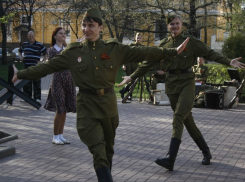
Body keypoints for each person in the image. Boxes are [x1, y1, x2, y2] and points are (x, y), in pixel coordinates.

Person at [12, 8, 189, 181]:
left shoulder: (114, 49)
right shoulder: (74, 52)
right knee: (98, 149)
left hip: (108, 107)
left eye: (91, 25)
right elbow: (46, 67)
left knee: (108, 150)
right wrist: (20, 74)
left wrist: (173, 51)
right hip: (87, 106)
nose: (86, 29)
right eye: (84, 25)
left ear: (100, 28)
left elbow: (144, 52)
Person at [118, 14, 245, 171]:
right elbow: (149, 63)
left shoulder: (190, 42)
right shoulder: (164, 44)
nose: (174, 26)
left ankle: (171, 159)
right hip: (171, 85)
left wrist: (228, 61)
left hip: (187, 83)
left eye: (177, 23)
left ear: (181, 25)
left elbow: (210, 53)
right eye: (171, 24)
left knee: (178, 116)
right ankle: (206, 151)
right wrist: (131, 76)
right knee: (187, 121)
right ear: (168, 26)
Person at [44, 27, 76, 145]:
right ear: (55, 36)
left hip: (68, 81)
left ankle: (61, 135)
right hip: (58, 81)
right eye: (60, 34)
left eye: (64, 33)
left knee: (65, 110)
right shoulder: (52, 50)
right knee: (59, 109)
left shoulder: (66, 49)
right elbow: (59, 59)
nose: (63, 35)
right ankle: (55, 136)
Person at [18, 31, 47, 103]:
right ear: (27, 37)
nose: (31, 37)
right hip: (26, 66)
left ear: (34, 36)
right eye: (29, 36)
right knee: (26, 82)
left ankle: (37, 98)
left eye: (32, 36)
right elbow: (19, 51)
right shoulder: (24, 44)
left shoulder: (39, 45)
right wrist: (21, 57)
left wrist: (42, 61)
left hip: (36, 67)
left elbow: (46, 54)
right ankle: (26, 97)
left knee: (36, 82)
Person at [119, 33, 144, 100]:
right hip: (128, 64)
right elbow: (125, 55)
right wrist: (124, 64)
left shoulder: (142, 47)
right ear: (135, 38)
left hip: (135, 65)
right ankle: (129, 95)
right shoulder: (131, 45)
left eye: (140, 38)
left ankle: (123, 91)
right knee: (129, 79)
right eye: (137, 38)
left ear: (141, 39)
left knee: (133, 80)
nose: (138, 39)